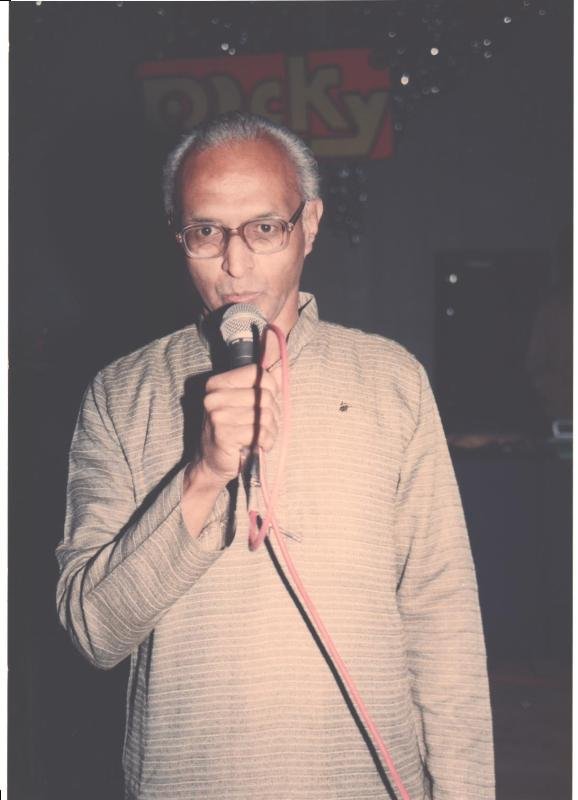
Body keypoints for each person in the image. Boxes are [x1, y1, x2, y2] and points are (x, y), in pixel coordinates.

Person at [56, 112, 494, 800]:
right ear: (179, 236)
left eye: (264, 228)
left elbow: (444, 625)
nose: (235, 264)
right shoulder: (119, 393)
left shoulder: (392, 380)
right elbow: (94, 631)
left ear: (309, 225)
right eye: (206, 232)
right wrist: (202, 476)